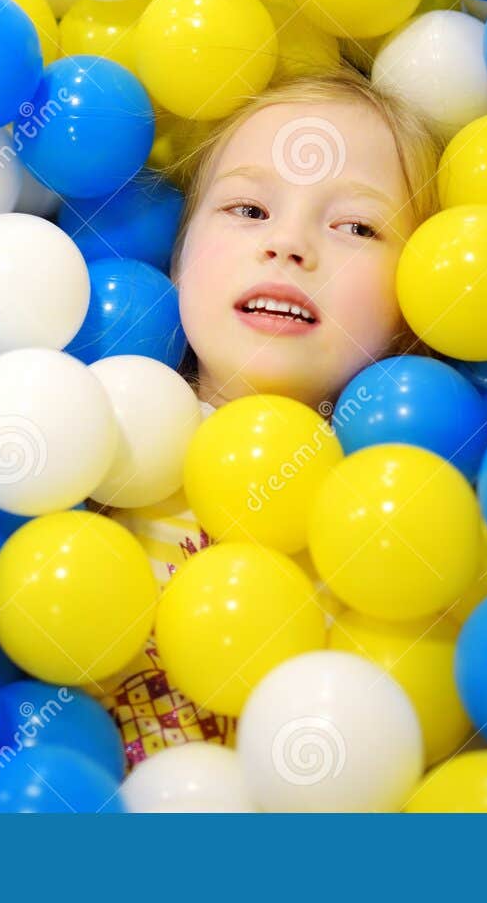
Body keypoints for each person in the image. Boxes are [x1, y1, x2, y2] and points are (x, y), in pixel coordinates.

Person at [97, 69, 445, 765]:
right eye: (249, 210)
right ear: (178, 259)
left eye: (357, 226)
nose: (288, 244)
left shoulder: (398, 502)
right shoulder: (100, 433)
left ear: (417, 301)